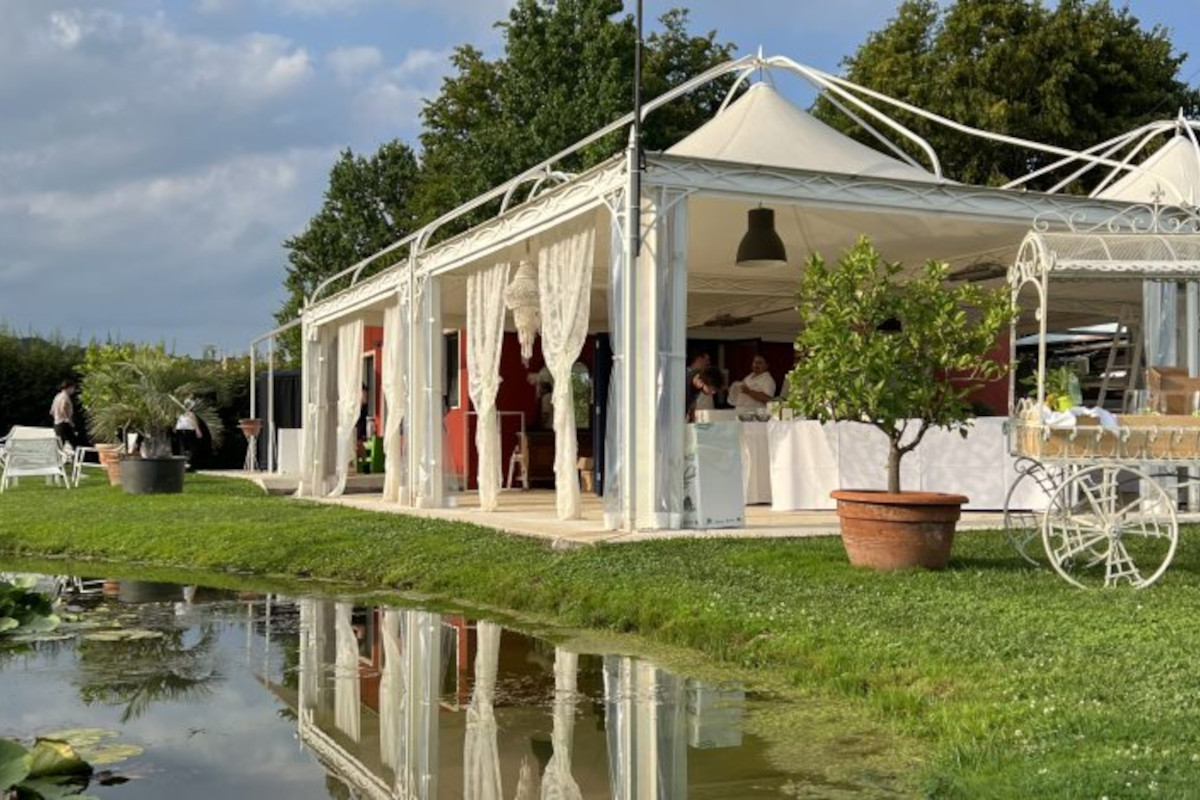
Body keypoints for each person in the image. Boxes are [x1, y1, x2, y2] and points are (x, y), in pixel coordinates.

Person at [50, 379, 77, 447]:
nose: (73, 390)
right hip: (64, 424)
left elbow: (52, 411)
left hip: (57, 423)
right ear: (69, 387)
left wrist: (57, 417)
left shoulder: (57, 396)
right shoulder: (65, 397)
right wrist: (68, 420)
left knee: (60, 444)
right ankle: (78, 457)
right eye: (73, 388)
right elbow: (63, 408)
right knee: (74, 442)